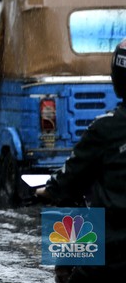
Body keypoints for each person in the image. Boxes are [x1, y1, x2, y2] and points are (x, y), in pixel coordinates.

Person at [36, 38, 126, 282]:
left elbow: (67, 180)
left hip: (110, 256)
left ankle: (64, 276)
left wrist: (49, 190)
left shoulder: (104, 129)